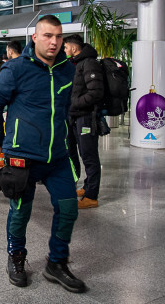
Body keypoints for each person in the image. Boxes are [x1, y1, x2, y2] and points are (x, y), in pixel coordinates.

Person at [0, 15, 85, 293]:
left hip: (58, 156)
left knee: (68, 208)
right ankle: (16, 257)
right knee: (21, 211)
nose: (54, 42)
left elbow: (64, 107)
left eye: (58, 36)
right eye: (47, 36)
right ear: (35, 38)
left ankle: (56, 263)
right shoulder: (16, 69)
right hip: (22, 155)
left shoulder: (68, 70)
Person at [63, 34, 104, 209]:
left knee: (89, 155)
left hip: (85, 117)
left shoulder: (89, 63)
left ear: (73, 48)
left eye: (65, 47)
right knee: (73, 152)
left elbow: (96, 93)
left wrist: (74, 104)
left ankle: (92, 196)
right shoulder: (76, 63)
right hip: (73, 116)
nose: (64, 50)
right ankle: (86, 186)